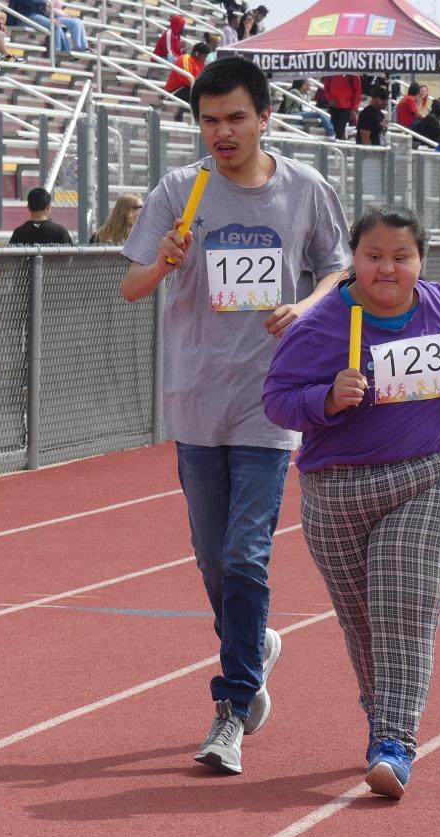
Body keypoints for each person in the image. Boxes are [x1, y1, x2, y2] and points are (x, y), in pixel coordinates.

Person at [119, 55, 350, 776]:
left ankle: (232, 705)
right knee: (216, 560)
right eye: (209, 120)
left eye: (235, 118)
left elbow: (336, 267)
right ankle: (255, 645)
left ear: (265, 117)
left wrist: (307, 306)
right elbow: (130, 286)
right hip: (196, 399)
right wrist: (162, 260)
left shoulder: (304, 189)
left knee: (248, 555)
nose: (221, 132)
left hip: (269, 398)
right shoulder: (179, 192)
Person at [262, 204, 440, 799]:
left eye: (400, 258)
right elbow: (277, 399)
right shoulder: (322, 324)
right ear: (355, 258)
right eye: (373, 256)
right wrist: (325, 398)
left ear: (419, 260)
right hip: (338, 492)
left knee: (403, 599)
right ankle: (383, 715)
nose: (386, 269)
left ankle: (395, 742)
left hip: (435, 474)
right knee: (363, 621)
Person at [8, 187, 72, 245]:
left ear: (28, 207)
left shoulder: (19, 232)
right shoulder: (60, 231)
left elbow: (10, 256)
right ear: (48, 207)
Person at [165, 42, 210, 121]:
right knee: (197, 92)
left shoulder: (203, 65)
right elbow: (187, 79)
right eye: (204, 55)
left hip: (189, 91)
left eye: (206, 55)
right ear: (197, 53)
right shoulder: (186, 59)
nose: (205, 58)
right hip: (175, 91)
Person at [323, 74, 361, 141]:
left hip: (346, 106)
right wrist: (329, 99)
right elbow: (326, 87)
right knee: (336, 127)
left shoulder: (353, 73)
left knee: (339, 129)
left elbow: (357, 91)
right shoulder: (330, 70)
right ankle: (340, 142)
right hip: (334, 105)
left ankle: (338, 145)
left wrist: (354, 108)